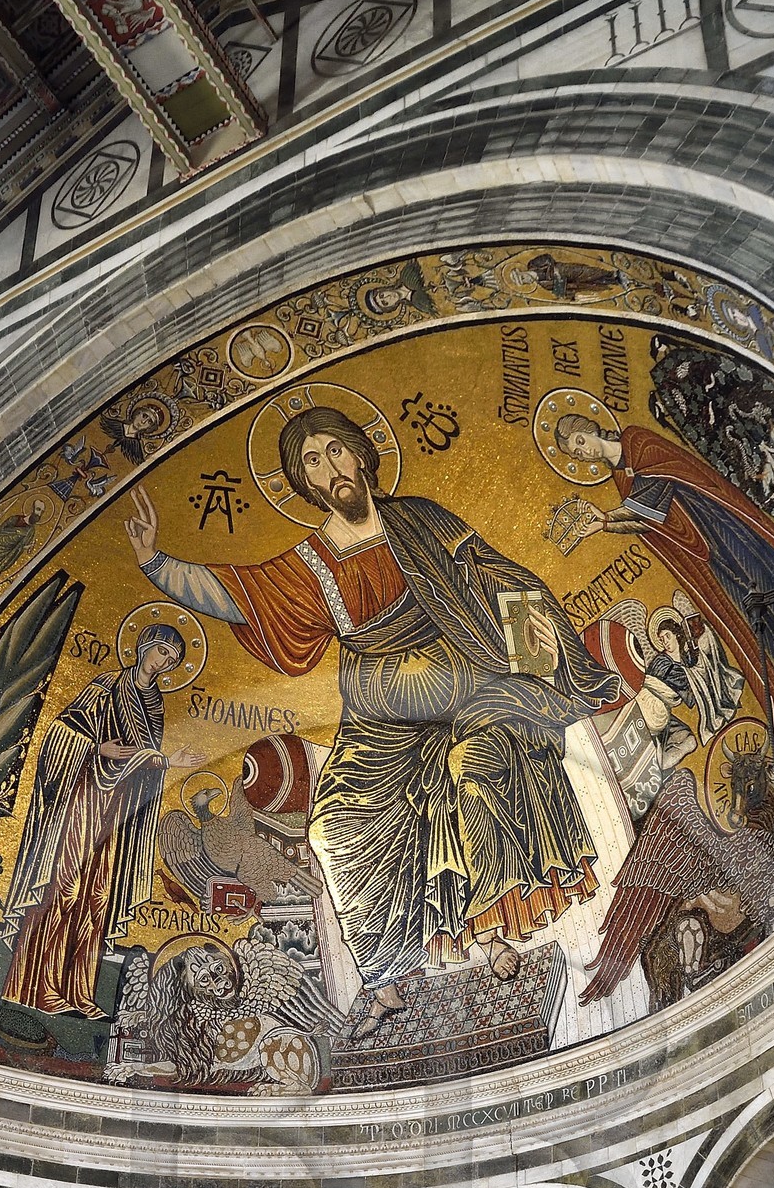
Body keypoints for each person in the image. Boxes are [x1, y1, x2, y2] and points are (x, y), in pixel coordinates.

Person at [125, 406, 618, 1034]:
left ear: (361, 455)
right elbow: (236, 592)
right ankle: (392, 973)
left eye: (335, 452)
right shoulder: (310, 561)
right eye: (311, 463)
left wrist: (537, 660)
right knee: (333, 826)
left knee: (474, 771)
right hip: (380, 713)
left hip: (466, 677)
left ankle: (494, 935)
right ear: (302, 485)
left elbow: (493, 572)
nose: (329, 470)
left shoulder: (418, 517)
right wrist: (157, 566)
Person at [554, 415, 774, 746]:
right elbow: (645, 521)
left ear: (589, 431)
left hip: (719, 527)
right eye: (575, 455)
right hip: (701, 554)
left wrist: (608, 519)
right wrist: (604, 525)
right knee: (751, 622)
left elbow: (655, 493)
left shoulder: (638, 442)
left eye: (579, 443)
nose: (582, 453)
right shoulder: (622, 480)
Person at [2, 624, 184, 1017]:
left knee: (97, 899)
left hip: (117, 810)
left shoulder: (154, 706)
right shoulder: (105, 687)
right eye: (162, 652)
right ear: (143, 647)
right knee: (64, 889)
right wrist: (98, 746)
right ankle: (39, 986)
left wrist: (163, 763)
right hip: (81, 800)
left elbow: (145, 762)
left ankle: (79, 991)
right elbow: (59, 733)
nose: (164, 662)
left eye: (172, 660)